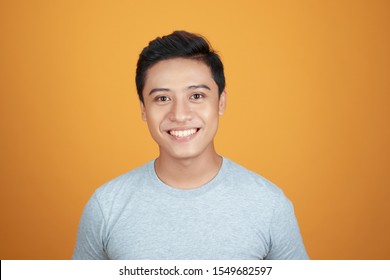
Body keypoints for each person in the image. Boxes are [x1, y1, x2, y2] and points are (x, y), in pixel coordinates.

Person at [72, 30, 309, 260]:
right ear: (144, 109)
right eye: (162, 98)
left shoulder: (269, 205)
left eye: (196, 96)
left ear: (221, 102)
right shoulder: (106, 207)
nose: (180, 114)